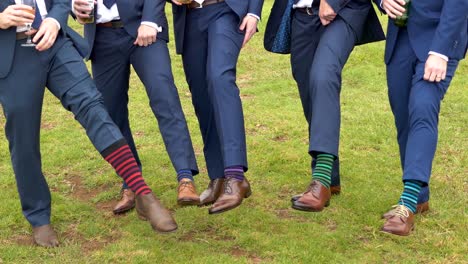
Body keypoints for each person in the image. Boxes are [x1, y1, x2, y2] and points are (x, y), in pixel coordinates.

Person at [0, 0, 177, 247]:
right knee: (24, 138)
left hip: (56, 44)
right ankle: (39, 217)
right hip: (12, 55)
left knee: (93, 107)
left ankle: (143, 193)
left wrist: (54, 18)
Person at [71, 0, 200, 214]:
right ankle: (130, 181)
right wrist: (74, 8)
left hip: (145, 29)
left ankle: (185, 177)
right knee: (112, 113)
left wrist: (150, 20)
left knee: (164, 99)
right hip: (101, 38)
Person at [265, 0, 384, 212]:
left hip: (343, 11)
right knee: (310, 89)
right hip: (300, 14)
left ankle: (320, 180)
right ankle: (331, 177)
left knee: (323, 75)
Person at [377, 0, 467, 236]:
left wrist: (440, 51)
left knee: (422, 108)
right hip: (400, 38)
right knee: (403, 116)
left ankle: (406, 204)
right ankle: (419, 197)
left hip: (440, 40)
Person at [169, 0, 263, 214]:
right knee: (201, 94)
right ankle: (218, 177)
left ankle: (235, 175)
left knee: (219, 78)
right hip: (190, 16)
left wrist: (254, 13)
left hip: (226, 10)